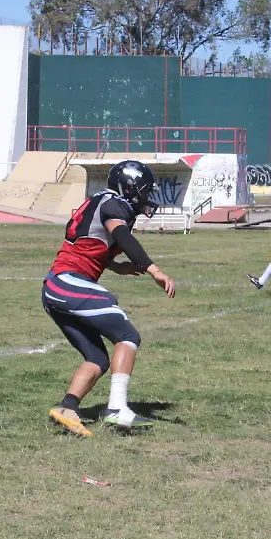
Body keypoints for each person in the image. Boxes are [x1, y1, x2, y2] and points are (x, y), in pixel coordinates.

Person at [44, 160, 177, 437]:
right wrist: (154, 270)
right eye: (142, 191)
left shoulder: (102, 202)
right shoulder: (113, 204)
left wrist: (116, 267)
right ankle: (116, 409)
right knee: (127, 336)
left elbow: (87, 244)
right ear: (128, 188)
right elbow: (121, 235)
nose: (145, 197)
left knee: (97, 358)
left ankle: (67, 407)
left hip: (57, 287)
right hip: (68, 282)